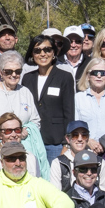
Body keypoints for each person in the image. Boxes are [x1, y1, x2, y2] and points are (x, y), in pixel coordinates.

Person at [0, 52, 41, 180]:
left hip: (20, 151)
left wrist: (22, 132)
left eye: (17, 71)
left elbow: (35, 120)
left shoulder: (25, 92)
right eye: (8, 71)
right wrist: (7, 133)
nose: (14, 75)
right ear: (1, 72)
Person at [23, 34, 76, 164]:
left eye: (47, 49)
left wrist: (66, 143)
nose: (43, 54)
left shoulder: (65, 77)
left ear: (53, 53)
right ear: (32, 54)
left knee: (54, 182)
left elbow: (69, 113)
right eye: (37, 50)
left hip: (56, 142)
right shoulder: (27, 78)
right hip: (32, 140)